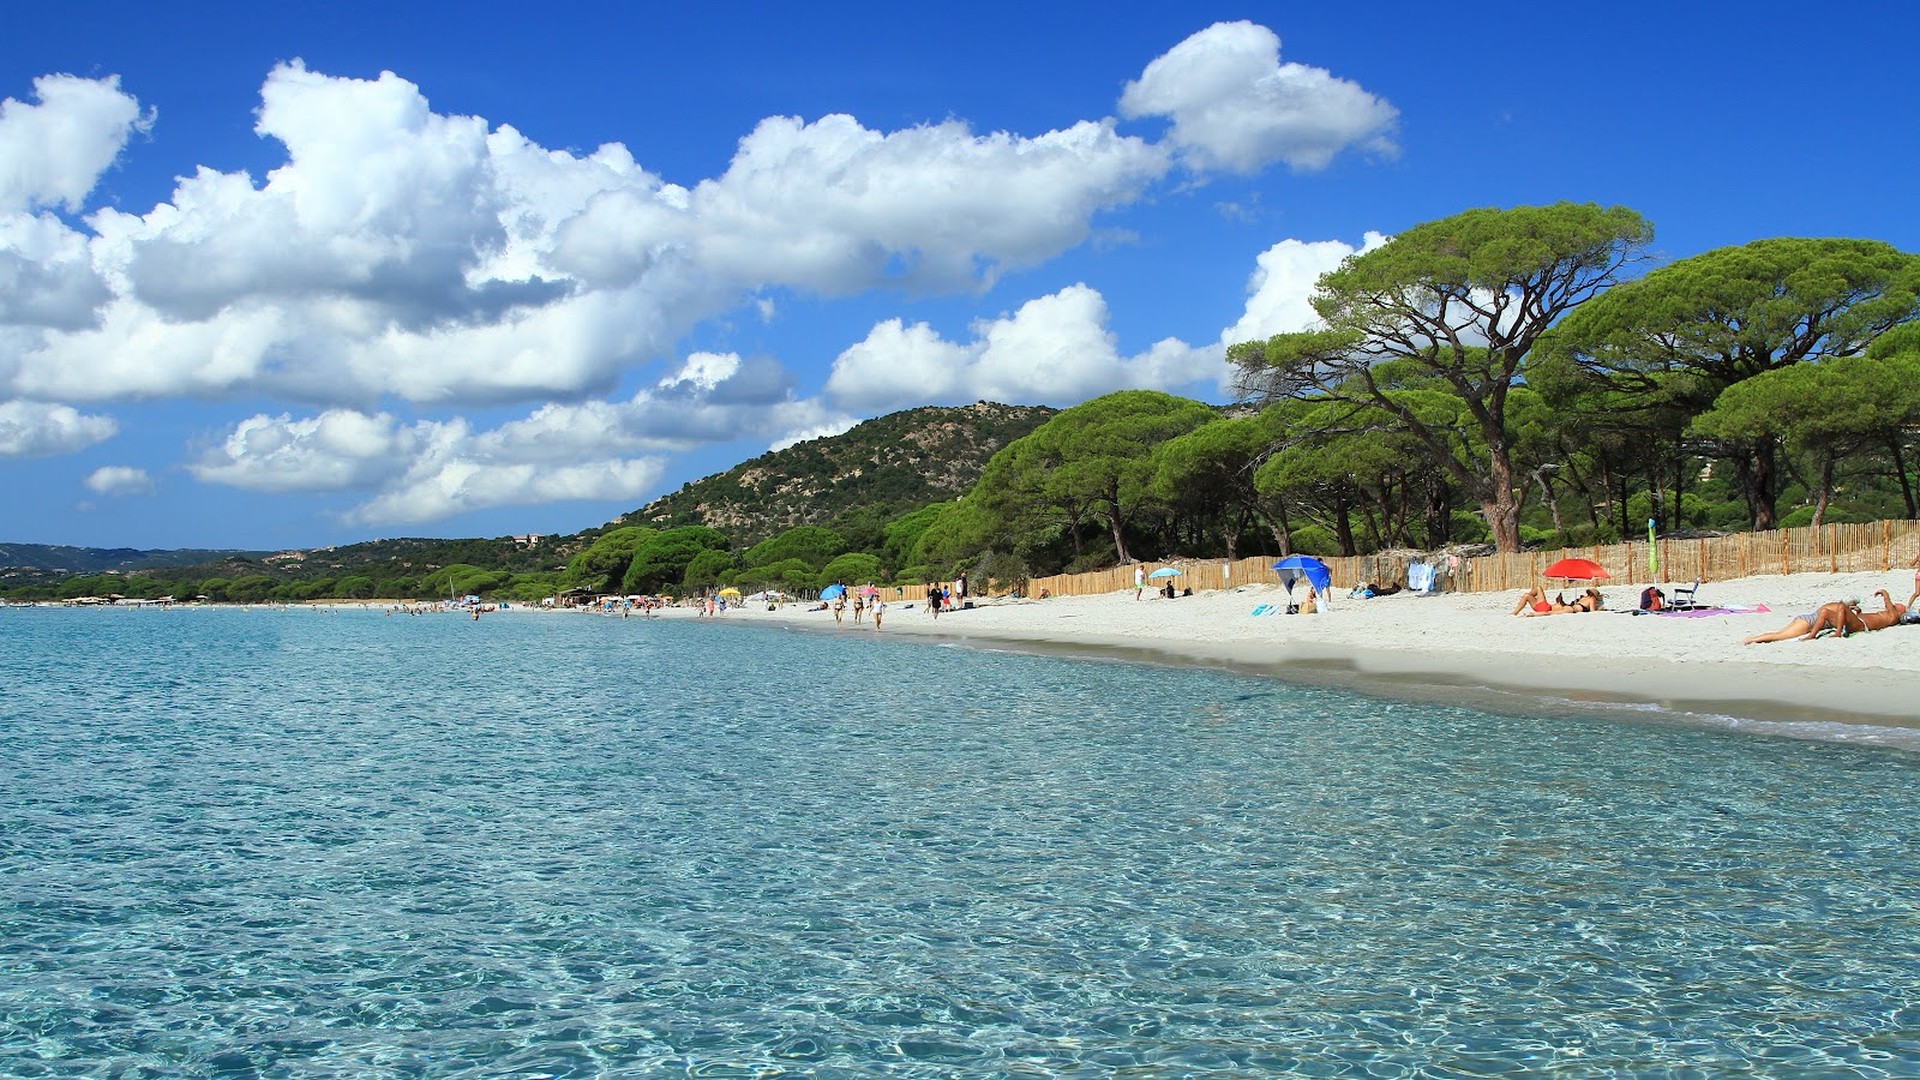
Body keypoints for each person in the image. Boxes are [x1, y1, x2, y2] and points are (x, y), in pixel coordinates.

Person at [1742, 601, 1865, 644]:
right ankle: (1751, 639)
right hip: (1806, 623)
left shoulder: (1834, 605)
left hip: (1803, 618)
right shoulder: (1839, 611)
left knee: (1778, 633)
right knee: (1778, 636)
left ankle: (1755, 638)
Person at [1509, 586, 1602, 616]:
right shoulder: (1591, 599)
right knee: (1550, 613)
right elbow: (1593, 611)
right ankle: (1533, 614)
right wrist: (1600, 610)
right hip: (1568, 609)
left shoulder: (1583, 598)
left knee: (1529, 594)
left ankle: (1514, 612)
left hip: (1567, 607)